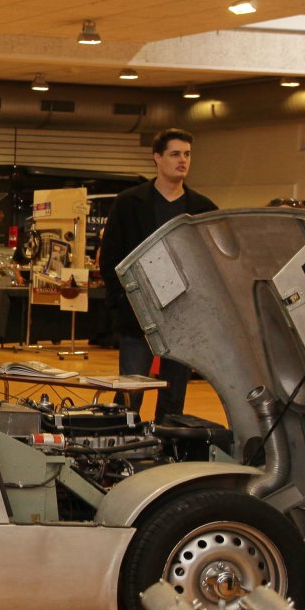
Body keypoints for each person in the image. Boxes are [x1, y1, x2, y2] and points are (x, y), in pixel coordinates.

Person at [98, 129, 218, 418]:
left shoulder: (202, 208)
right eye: (175, 154)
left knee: (174, 397)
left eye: (187, 154)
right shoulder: (128, 203)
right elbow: (110, 256)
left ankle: (168, 441)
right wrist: (121, 301)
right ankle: (124, 439)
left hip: (182, 315)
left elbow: (213, 262)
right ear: (157, 158)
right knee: (131, 393)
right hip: (138, 314)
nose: (183, 160)